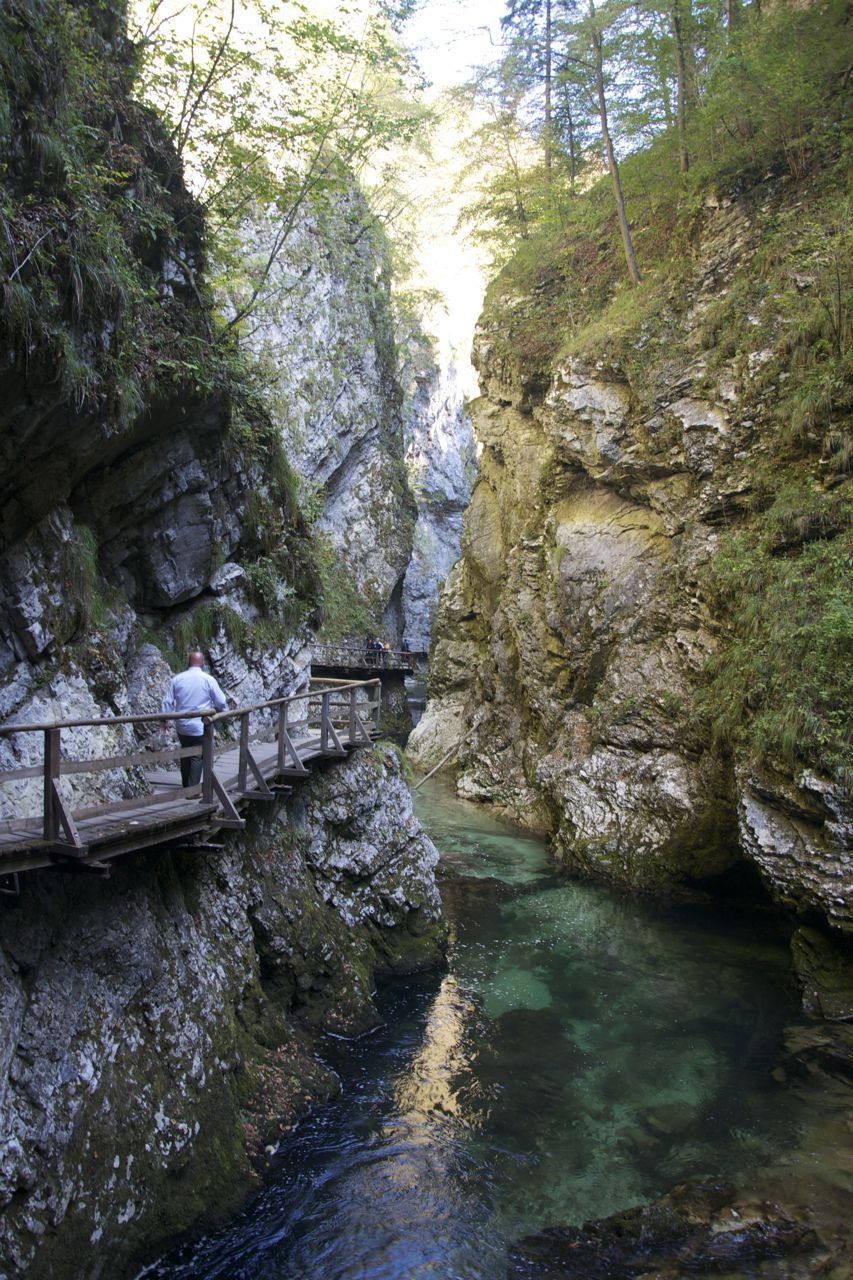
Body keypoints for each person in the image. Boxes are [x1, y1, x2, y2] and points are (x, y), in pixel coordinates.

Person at [160, 649, 228, 787]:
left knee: (185, 752)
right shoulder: (208, 680)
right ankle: (192, 789)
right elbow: (221, 701)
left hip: (182, 726)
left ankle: (186, 785)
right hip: (201, 725)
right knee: (197, 755)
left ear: (188, 662)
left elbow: (167, 702)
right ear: (202, 663)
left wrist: (163, 722)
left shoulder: (177, 679)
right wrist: (221, 711)